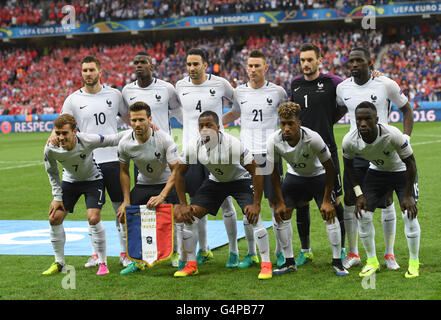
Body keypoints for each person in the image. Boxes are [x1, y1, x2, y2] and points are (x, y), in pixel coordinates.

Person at [336, 47, 415, 270]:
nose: (354, 64)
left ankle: (389, 255)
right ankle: (354, 253)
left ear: (370, 62)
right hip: (355, 150)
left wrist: (406, 139)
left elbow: (406, 110)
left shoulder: (385, 84)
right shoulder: (342, 88)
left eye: (359, 60)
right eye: (350, 61)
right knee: (352, 199)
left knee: (387, 201)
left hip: (382, 151)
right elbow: (339, 109)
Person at [52, 55, 132, 268]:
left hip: (113, 159)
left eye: (91, 70)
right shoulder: (72, 100)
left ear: (99, 71)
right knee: (92, 213)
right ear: (82, 73)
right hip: (86, 162)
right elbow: (60, 127)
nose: (88, 74)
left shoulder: (115, 95)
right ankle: (96, 254)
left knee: (119, 209)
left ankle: (125, 253)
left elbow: (128, 119)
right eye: (85, 70)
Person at [173, 111, 272, 279]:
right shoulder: (194, 145)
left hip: (240, 180)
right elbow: (179, 173)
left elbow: (256, 170)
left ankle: (266, 264)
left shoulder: (233, 144)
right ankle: (191, 264)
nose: (204, 129)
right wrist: (183, 204)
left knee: (253, 215)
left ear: (218, 127)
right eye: (201, 126)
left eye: (209, 125)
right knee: (189, 215)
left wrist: (256, 203)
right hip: (216, 181)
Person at [222, 49, 288, 268]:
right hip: (245, 157)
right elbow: (235, 113)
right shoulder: (239, 92)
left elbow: (286, 117)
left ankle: (280, 252)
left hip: (269, 156)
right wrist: (215, 124)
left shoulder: (278, 92)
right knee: (248, 205)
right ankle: (251, 253)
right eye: (249, 66)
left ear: (265, 68)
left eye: (257, 66)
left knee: (274, 205)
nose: (252, 70)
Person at [267, 102, 348, 276]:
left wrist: (327, 200)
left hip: (318, 176)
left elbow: (330, 167)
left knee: (329, 212)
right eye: (283, 124)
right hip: (295, 177)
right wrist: (279, 201)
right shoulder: (273, 140)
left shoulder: (313, 138)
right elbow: (273, 172)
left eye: (291, 124)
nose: (286, 128)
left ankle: (337, 262)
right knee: (282, 213)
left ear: (299, 123)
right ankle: (289, 262)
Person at [175, 48, 239, 268]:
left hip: (217, 152)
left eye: (196, 64)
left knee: (226, 202)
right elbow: (177, 111)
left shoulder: (220, 83)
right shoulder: (180, 86)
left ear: (205, 65)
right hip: (192, 153)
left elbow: (238, 106)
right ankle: (204, 249)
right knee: (196, 202)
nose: (192, 68)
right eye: (188, 64)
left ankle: (234, 251)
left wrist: (222, 121)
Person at [342, 101, 420, 278]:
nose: (362, 123)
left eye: (367, 119)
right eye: (359, 119)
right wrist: (359, 194)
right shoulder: (350, 140)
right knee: (362, 213)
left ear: (376, 119)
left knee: (408, 213)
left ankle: (413, 262)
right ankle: (372, 261)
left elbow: (411, 163)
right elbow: (348, 166)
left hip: (402, 173)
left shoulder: (392, 134)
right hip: (377, 173)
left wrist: (408, 195)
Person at [42, 114, 125, 276]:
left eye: (64, 133)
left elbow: (113, 139)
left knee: (93, 218)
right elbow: (52, 172)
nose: (60, 137)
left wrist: (136, 131)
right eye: (57, 133)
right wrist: (57, 197)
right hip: (69, 183)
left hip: (92, 181)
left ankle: (102, 262)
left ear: (74, 132)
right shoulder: (50, 148)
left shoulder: (87, 139)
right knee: (54, 218)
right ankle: (59, 262)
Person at [121, 52, 183, 267]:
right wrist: (139, 126)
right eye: (136, 62)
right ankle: (139, 256)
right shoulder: (127, 90)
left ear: (152, 65)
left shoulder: (166, 88)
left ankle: (178, 252)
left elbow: (177, 112)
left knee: (178, 210)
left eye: (143, 62)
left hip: (165, 151)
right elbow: (124, 114)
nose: (139, 66)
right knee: (140, 210)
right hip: (142, 152)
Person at [290, 43, 347, 267]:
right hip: (301, 153)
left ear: (319, 60)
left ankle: (341, 250)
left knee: (335, 202)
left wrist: (329, 119)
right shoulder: (295, 84)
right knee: (301, 204)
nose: (306, 64)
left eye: (310, 60)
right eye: (302, 60)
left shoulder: (332, 82)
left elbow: (347, 98)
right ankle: (306, 250)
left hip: (327, 152)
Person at [116, 101, 181, 275]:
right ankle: (136, 259)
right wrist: (126, 202)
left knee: (178, 214)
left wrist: (162, 196)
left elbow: (176, 171)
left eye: (141, 120)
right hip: (144, 183)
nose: (137, 124)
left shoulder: (164, 139)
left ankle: (177, 253)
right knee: (124, 216)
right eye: (134, 120)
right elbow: (124, 172)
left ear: (150, 119)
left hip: (167, 182)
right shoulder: (124, 143)